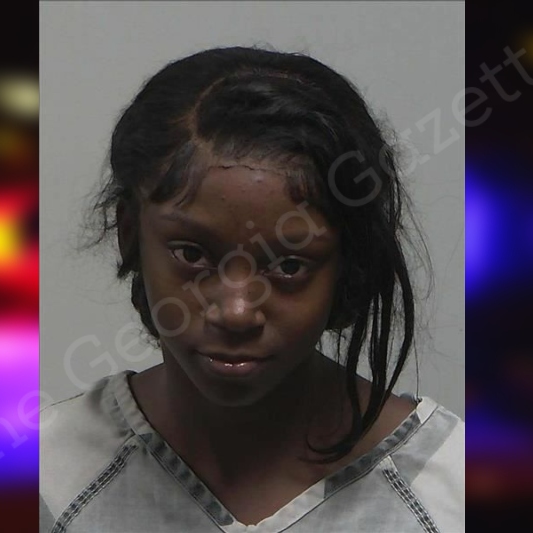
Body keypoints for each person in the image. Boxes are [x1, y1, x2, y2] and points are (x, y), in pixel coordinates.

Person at [40, 46, 464, 533]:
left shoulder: (451, 493)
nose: (237, 311)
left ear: (348, 263)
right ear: (131, 234)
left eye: (289, 265)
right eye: (192, 255)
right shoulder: (46, 479)